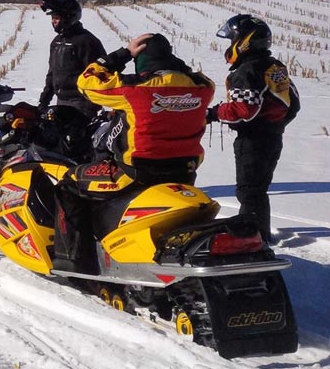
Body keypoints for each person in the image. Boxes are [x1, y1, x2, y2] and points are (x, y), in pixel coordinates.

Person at [53, 33, 215, 273]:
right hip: (184, 172)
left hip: (136, 172)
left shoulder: (134, 89)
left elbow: (86, 82)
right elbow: (190, 74)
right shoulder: (203, 88)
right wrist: (168, 60)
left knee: (69, 182)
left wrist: (124, 54)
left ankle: (73, 261)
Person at [207, 15, 300, 243]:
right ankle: (260, 235)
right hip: (272, 136)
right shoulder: (275, 66)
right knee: (258, 189)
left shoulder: (246, 71)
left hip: (253, 139)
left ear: (243, 41)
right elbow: (294, 103)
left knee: (248, 191)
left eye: (232, 39)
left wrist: (213, 113)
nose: (229, 45)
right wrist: (275, 124)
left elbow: (243, 110)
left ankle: (251, 240)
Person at [37, 0, 107, 161]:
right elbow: (52, 73)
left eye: (57, 18)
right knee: (59, 145)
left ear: (69, 17)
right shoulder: (57, 42)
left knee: (78, 146)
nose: (54, 22)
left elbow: (100, 75)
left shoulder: (86, 41)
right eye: (52, 18)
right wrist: (44, 101)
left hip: (82, 103)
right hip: (62, 102)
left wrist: (91, 107)